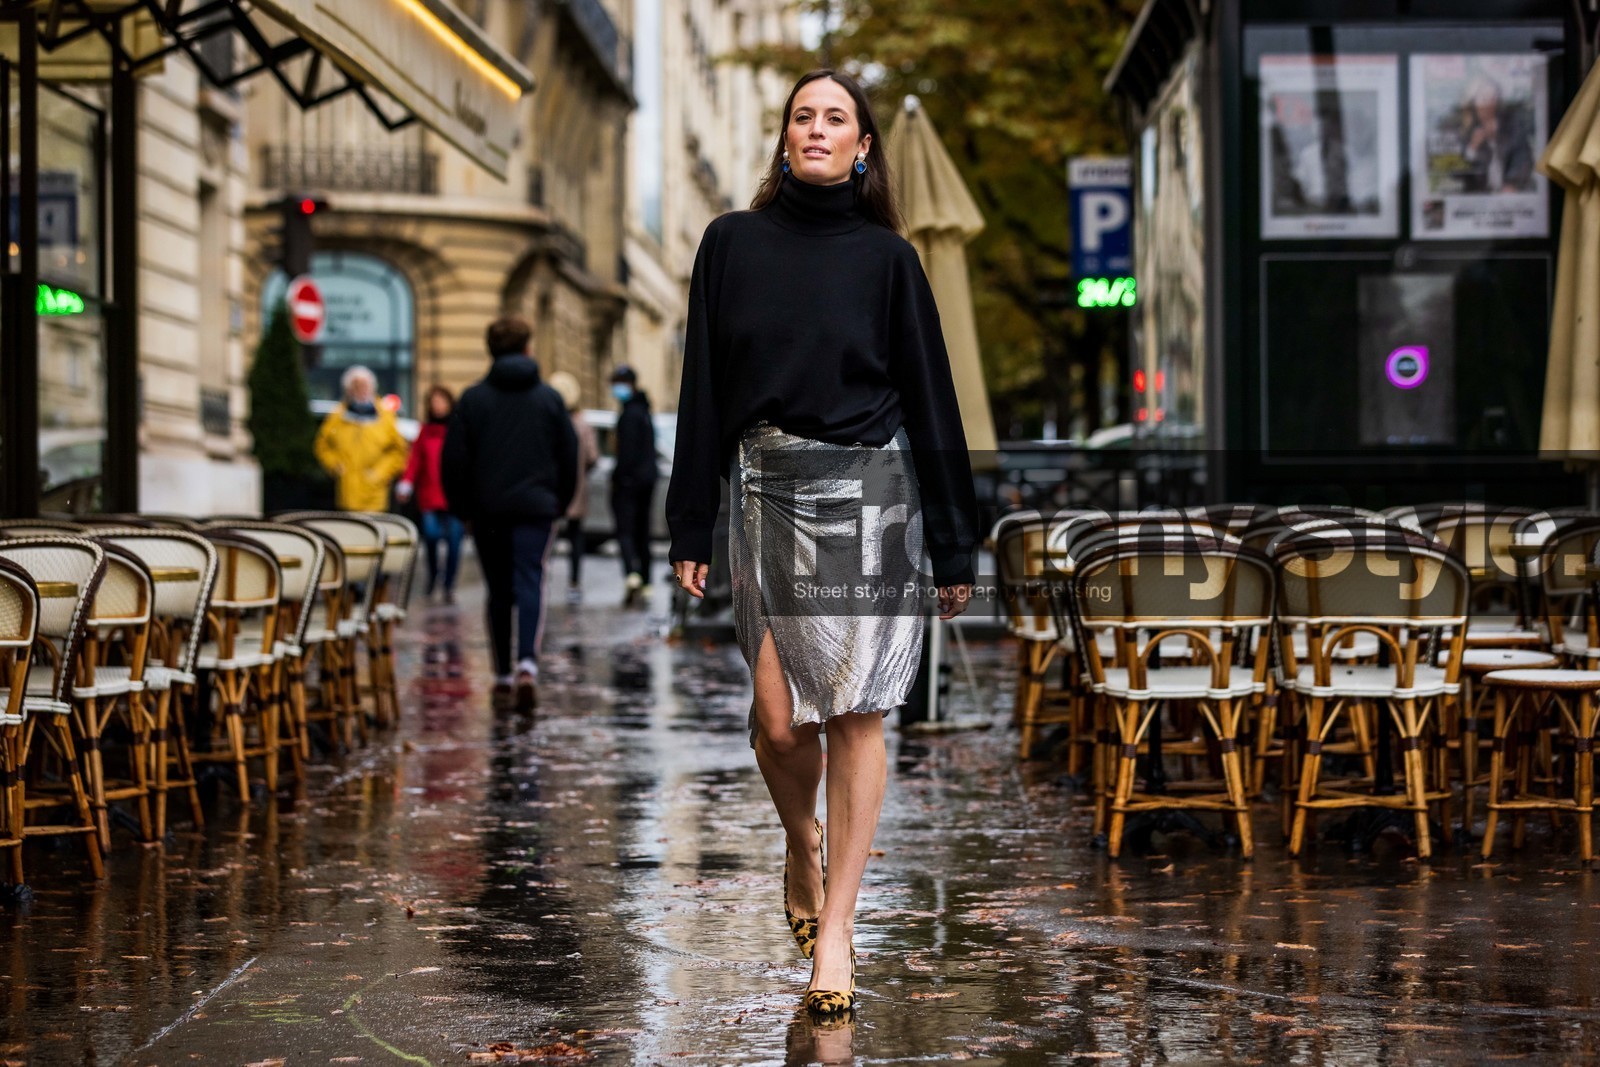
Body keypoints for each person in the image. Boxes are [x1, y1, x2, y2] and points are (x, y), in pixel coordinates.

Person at [665, 70, 979, 1018]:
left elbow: (934, 401)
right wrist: (690, 519)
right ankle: (802, 842)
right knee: (775, 722)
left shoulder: (890, 259)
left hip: (874, 495)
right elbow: (702, 390)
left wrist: (957, 544)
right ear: (786, 137)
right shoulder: (730, 244)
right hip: (766, 494)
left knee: (858, 713)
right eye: (802, 114)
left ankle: (837, 930)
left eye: (835, 117)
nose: (816, 127)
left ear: (861, 145)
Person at [440, 316, 578, 710]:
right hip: (537, 508)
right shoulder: (549, 399)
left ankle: (501, 673)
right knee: (530, 580)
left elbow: (454, 460)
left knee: (499, 590)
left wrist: (462, 509)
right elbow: (568, 457)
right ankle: (528, 666)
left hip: (488, 509)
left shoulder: (472, 400)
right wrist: (559, 503)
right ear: (527, 349)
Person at [397, 385, 464, 604]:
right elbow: (415, 460)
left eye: (441, 401)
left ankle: (449, 583)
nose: (438, 406)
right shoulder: (424, 432)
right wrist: (406, 482)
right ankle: (433, 575)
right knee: (432, 537)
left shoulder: (458, 429)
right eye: (434, 402)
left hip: (454, 495)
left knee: (454, 541)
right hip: (429, 494)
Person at [313, 366, 409, 512]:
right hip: (347, 493)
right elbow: (322, 445)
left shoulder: (385, 416)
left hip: (375, 496)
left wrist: (380, 473)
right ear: (348, 390)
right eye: (356, 386)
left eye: (365, 385)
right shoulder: (338, 415)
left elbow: (398, 451)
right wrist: (335, 465)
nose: (361, 390)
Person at [548, 370, 600, 605]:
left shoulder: (547, 421)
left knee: (547, 535)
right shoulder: (582, 424)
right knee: (575, 536)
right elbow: (592, 456)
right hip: (576, 488)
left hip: (550, 488)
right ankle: (574, 582)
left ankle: (541, 575)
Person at [609, 365, 658, 607]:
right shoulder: (645, 411)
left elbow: (626, 453)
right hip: (647, 479)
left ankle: (632, 574)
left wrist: (619, 477)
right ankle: (647, 581)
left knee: (626, 530)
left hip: (630, 481)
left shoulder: (629, 414)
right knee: (642, 531)